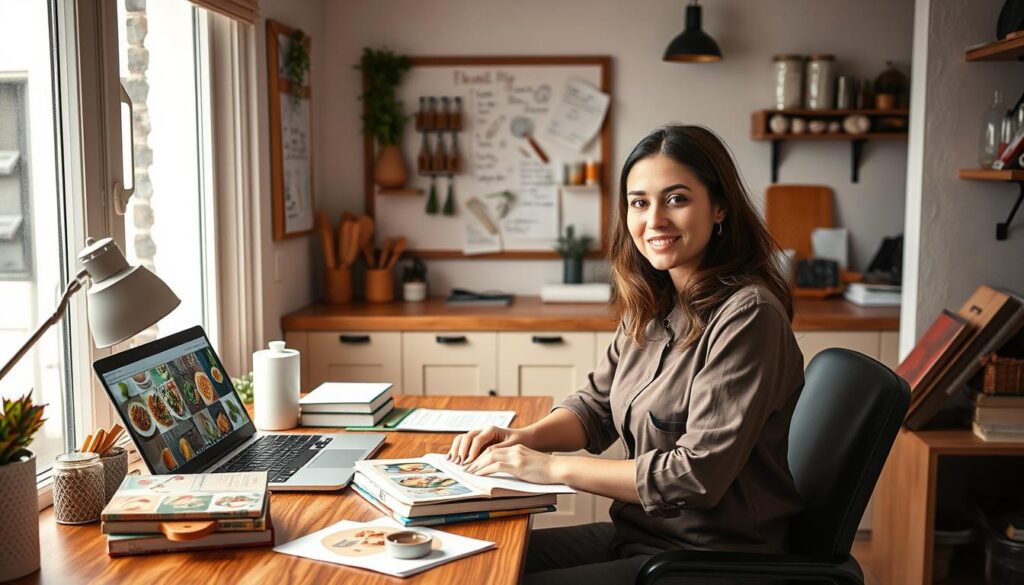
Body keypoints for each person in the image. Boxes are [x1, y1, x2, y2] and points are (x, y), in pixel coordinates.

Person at [447, 125, 805, 583]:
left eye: (676, 199)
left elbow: (695, 475)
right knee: (472, 564)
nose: (654, 219)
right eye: (639, 202)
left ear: (719, 208)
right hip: (640, 537)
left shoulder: (748, 316)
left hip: (708, 558)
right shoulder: (655, 302)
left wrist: (552, 468)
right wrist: (524, 438)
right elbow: (594, 408)